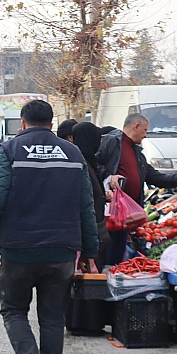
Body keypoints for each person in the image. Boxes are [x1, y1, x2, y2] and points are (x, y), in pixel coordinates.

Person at [0, 99, 98, 354]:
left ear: (22, 123)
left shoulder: (9, 150)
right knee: (52, 319)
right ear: (52, 123)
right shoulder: (72, 153)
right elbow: (86, 205)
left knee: (13, 310)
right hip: (62, 251)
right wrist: (89, 250)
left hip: (19, 249)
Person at [97, 113, 177, 264]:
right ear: (136, 126)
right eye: (145, 130)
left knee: (117, 253)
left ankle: (112, 274)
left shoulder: (138, 154)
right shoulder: (112, 142)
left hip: (127, 216)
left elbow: (156, 178)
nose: (145, 135)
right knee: (106, 251)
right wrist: (108, 176)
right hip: (110, 213)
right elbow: (93, 163)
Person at [65, 121, 112, 334]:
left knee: (86, 273)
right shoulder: (82, 163)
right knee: (87, 273)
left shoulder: (84, 161)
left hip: (89, 227)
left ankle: (84, 322)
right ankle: (85, 323)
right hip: (89, 229)